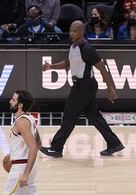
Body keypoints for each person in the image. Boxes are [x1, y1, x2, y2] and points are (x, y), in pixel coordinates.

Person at [40, 21, 124, 158]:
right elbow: (68, 62)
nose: (72, 33)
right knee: (94, 116)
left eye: (75, 31)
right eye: (71, 30)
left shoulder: (86, 48)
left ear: (81, 32)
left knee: (69, 116)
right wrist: (51, 67)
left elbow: (102, 68)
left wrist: (110, 88)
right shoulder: (73, 46)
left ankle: (56, 148)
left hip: (84, 86)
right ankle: (114, 143)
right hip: (83, 86)